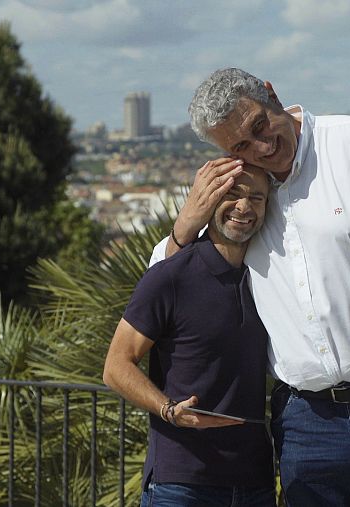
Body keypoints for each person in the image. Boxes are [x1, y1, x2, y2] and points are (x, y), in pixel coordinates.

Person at [152, 68, 350, 506]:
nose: (261, 148)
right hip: (306, 426)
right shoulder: (246, 196)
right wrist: (187, 223)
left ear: (271, 94)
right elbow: (165, 286)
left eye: (259, 126)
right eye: (240, 146)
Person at [103, 164, 275, 507]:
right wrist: (169, 410)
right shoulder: (170, 276)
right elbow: (115, 366)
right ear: (209, 200)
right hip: (181, 484)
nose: (244, 206)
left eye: (256, 198)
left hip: (255, 483)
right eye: (232, 194)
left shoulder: (270, 279)